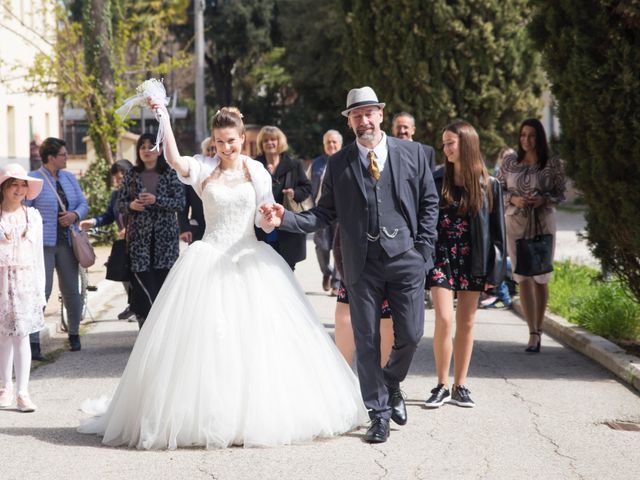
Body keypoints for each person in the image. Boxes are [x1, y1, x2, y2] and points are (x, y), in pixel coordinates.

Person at [78, 106, 367, 449]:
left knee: (257, 341)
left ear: (243, 139)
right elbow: (173, 160)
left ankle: (255, 413)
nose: (225, 147)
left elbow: (263, 218)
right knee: (207, 341)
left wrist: (271, 218)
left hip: (249, 256)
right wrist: (165, 121)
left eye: (231, 141)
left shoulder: (256, 171)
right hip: (209, 256)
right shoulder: (202, 167)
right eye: (219, 142)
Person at [262, 86, 439, 443]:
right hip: (361, 263)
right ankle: (378, 413)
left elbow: (429, 204)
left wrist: (423, 253)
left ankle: (391, 382)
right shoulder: (339, 163)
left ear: (380, 114)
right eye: (356, 116)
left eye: (368, 113)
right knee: (367, 339)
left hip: (406, 258)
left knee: (412, 334)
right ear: (350, 122)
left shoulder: (416, 154)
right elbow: (325, 214)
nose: (363, 120)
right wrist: (286, 219)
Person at [424, 121, 506, 409]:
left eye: (450, 143)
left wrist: (494, 274)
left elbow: (498, 234)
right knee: (445, 319)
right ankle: (441, 385)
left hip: (474, 259)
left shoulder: (489, 184)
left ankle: (460, 385)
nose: (445, 148)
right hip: (441, 257)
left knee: (467, 322)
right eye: (444, 143)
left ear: (467, 145)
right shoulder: (435, 179)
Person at [498, 119, 566, 352]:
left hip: (543, 224)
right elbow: (498, 190)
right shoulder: (510, 162)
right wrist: (513, 199)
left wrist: (544, 199)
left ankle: (539, 326)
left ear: (540, 138)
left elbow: (561, 194)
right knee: (523, 276)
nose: (526, 140)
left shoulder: (551, 164)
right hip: (516, 224)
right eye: (523, 135)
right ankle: (532, 332)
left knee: (541, 276)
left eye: (532, 136)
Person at [27, 137, 89, 356]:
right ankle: (33, 341)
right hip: (42, 245)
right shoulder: (34, 179)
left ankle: (73, 333)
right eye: (63, 154)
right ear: (51, 157)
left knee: (72, 290)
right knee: (42, 291)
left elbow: (83, 204)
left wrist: (74, 214)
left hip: (68, 243)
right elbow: (26, 208)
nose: (67, 158)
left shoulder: (69, 178)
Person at [116, 133, 184, 328]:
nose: (146, 150)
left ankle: (165, 331)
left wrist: (157, 201)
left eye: (151, 146)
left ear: (160, 150)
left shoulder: (171, 172)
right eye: (142, 146)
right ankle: (145, 332)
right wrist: (131, 206)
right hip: (139, 243)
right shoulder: (131, 174)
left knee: (164, 288)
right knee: (142, 290)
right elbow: (119, 204)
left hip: (166, 242)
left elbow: (180, 203)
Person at [0, 164, 45, 412]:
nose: (19, 189)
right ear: (4, 187)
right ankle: (5, 386)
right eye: (13, 184)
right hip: (1, 279)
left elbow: (37, 255)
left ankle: (23, 392)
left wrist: (41, 289)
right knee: (3, 336)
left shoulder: (32, 217)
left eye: (22, 184)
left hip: (25, 280)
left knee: (22, 335)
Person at [332, 225, 393, 368]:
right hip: (354, 256)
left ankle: (385, 385)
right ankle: (343, 379)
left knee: (386, 323)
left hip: (391, 255)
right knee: (343, 319)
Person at [80, 159, 134, 320]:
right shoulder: (116, 195)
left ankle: (140, 307)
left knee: (138, 276)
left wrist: (131, 229)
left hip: (140, 242)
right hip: (123, 243)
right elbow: (109, 215)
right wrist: (94, 222)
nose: (118, 180)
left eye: (122, 176)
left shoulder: (139, 192)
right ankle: (133, 305)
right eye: (116, 177)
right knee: (123, 272)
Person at [254, 126, 312, 270]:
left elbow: (306, 187)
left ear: (280, 142)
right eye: (266, 140)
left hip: (286, 221)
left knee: (287, 265)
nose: (270, 143)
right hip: (263, 221)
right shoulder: (254, 165)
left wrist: (294, 193)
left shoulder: (294, 164)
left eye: (273, 139)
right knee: (264, 264)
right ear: (261, 144)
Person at [309, 130, 342, 294]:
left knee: (339, 247)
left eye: (335, 142)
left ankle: (336, 283)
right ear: (324, 145)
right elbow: (309, 187)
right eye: (328, 142)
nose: (332, 145)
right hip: (320, 210)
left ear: (340, 145)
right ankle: (327, 272)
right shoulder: (316, 164)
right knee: (321, 245)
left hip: (341, 212)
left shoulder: (346, 161)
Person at [178, 138, 210, 244]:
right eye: (208, 149)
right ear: (203, 153)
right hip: (198, 230)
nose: (211, 152)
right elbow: (183, 204)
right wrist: (184, 228)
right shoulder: (194, 175)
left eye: (214, 149)